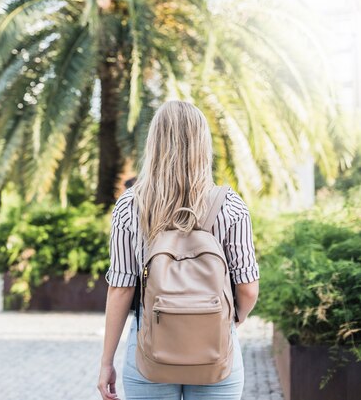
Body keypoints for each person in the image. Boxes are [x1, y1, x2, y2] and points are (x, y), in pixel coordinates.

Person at [97, 100, 260, 400]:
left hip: (149, 352)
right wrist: (227, 321)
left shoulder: (129, 206)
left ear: (154, 143)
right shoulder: (230, 206)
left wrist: (106, 362)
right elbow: (248, 290)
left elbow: (120, 289)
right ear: (203, 144)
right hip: (217, 353)